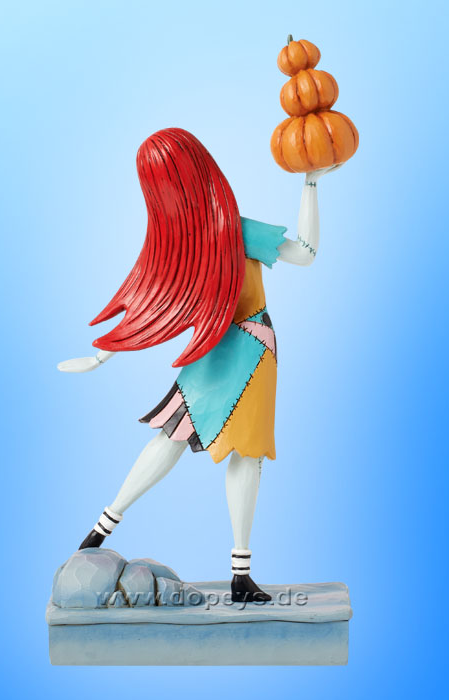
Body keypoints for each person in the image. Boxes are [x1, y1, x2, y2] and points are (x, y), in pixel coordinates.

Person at [59, 127, 340, 602]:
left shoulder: (183, 243)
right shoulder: (214, 235)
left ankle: (101, 531)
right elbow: (307, 253)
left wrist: (102, 355)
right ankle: (236, 573)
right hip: (241, 348)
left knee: (180, 436)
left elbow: (147, 301)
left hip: (235, 350)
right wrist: (311, 182)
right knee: (232, 450)